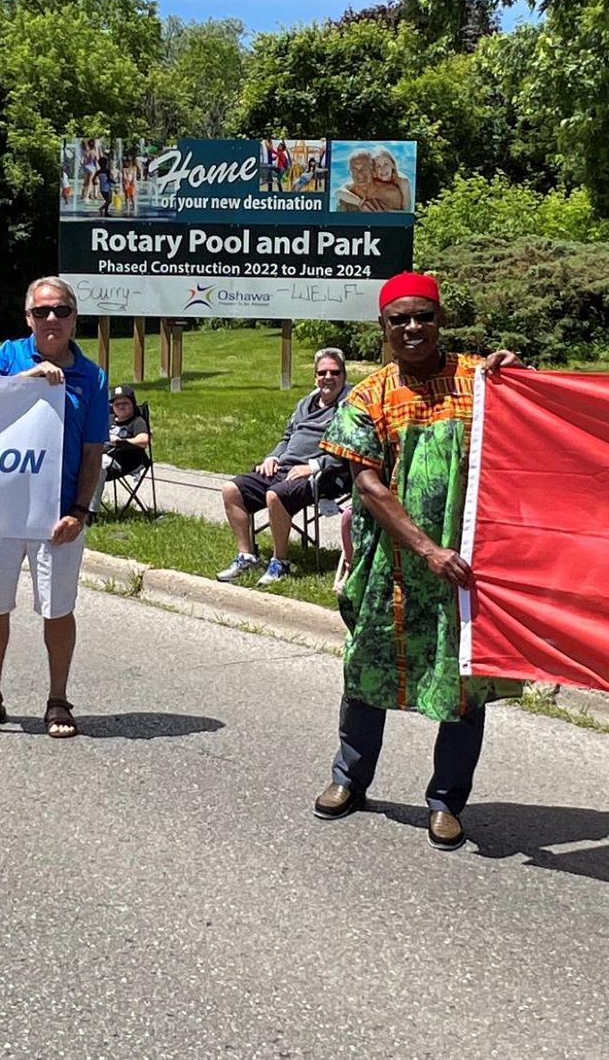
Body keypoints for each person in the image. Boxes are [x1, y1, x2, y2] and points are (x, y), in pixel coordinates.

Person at [311, 272, 522, 851]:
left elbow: (532, 428)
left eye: (422, 316)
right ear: (382, 327)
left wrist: (519, 378)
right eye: (398, 319)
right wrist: (428, 549)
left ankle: (447, 801)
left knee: (462, 684)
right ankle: (349, 779)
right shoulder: (368, 396)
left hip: (466, 570)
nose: (412, 328)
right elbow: (369, 485)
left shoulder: (481, 382)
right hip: (394, 567)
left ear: (440, 320)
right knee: (365, 671)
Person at [0, 276, 108, 739]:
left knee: (57, 610)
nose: (51, 320)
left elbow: (92, 452)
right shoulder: (7, 355)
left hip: (55, 514)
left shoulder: (93, 376)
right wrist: (28, 380)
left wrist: (80, 512)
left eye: (60, 311)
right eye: (42, 312)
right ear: (28, 318)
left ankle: (58, 699)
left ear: (74, 317)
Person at [216, 348, 350, 586]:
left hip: (325, 474)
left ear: (344, 375)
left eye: (334, 372)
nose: (328, 377)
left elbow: (353, 452)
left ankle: (280, 561)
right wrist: (273, 457)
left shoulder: (351, 406)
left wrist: (314, 466)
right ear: (315, 376)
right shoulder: (305, 403)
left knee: (275, 494)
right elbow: (287, 437)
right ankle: (247, 556)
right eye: (322, 372)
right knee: (231, 489)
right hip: (284, 467)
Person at [100, 384, 150, 483]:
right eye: (117, 404)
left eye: (125, 403)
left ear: (133, 404)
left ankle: (93, 499)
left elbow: (144, 440)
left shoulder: (137, 421)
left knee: (95, 469)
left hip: (124, 461)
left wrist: (121, 441)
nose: (121, 406)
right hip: (102, 456)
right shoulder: (109, 419)